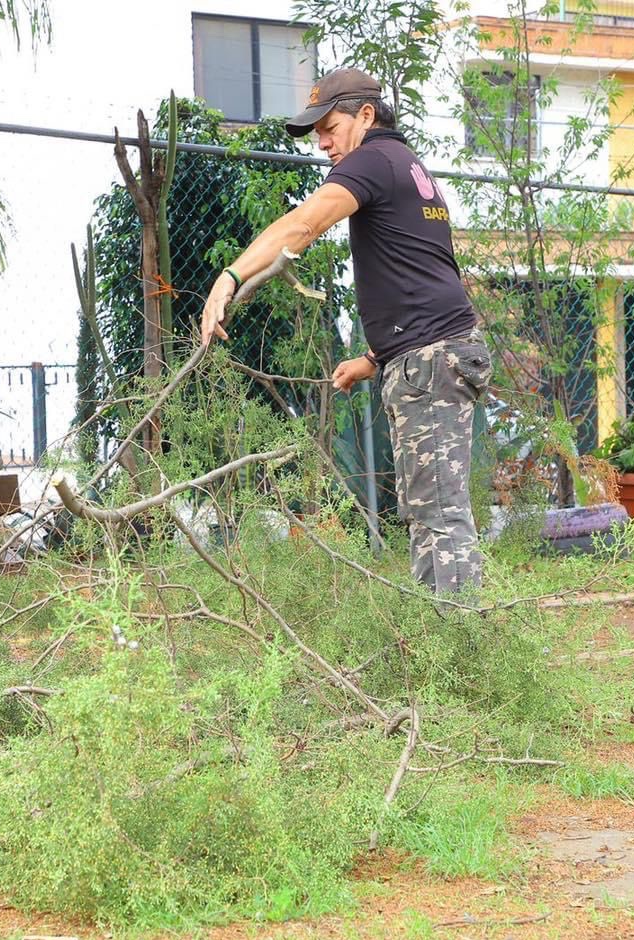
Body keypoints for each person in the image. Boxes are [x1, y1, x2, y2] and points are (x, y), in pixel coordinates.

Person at [198, 67, 492, 594]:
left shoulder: (373, 161)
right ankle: (445, 642)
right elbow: (424, 275)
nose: (324, 142)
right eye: (317, 134)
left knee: (439, 517)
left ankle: (458, 655)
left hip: (433, 361)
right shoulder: (403, 165)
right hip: (433, 354)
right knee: (431, 511)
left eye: (330, 127)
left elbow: (302, 225)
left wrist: (230, 277)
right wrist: (375, 358)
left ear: (365, 115)